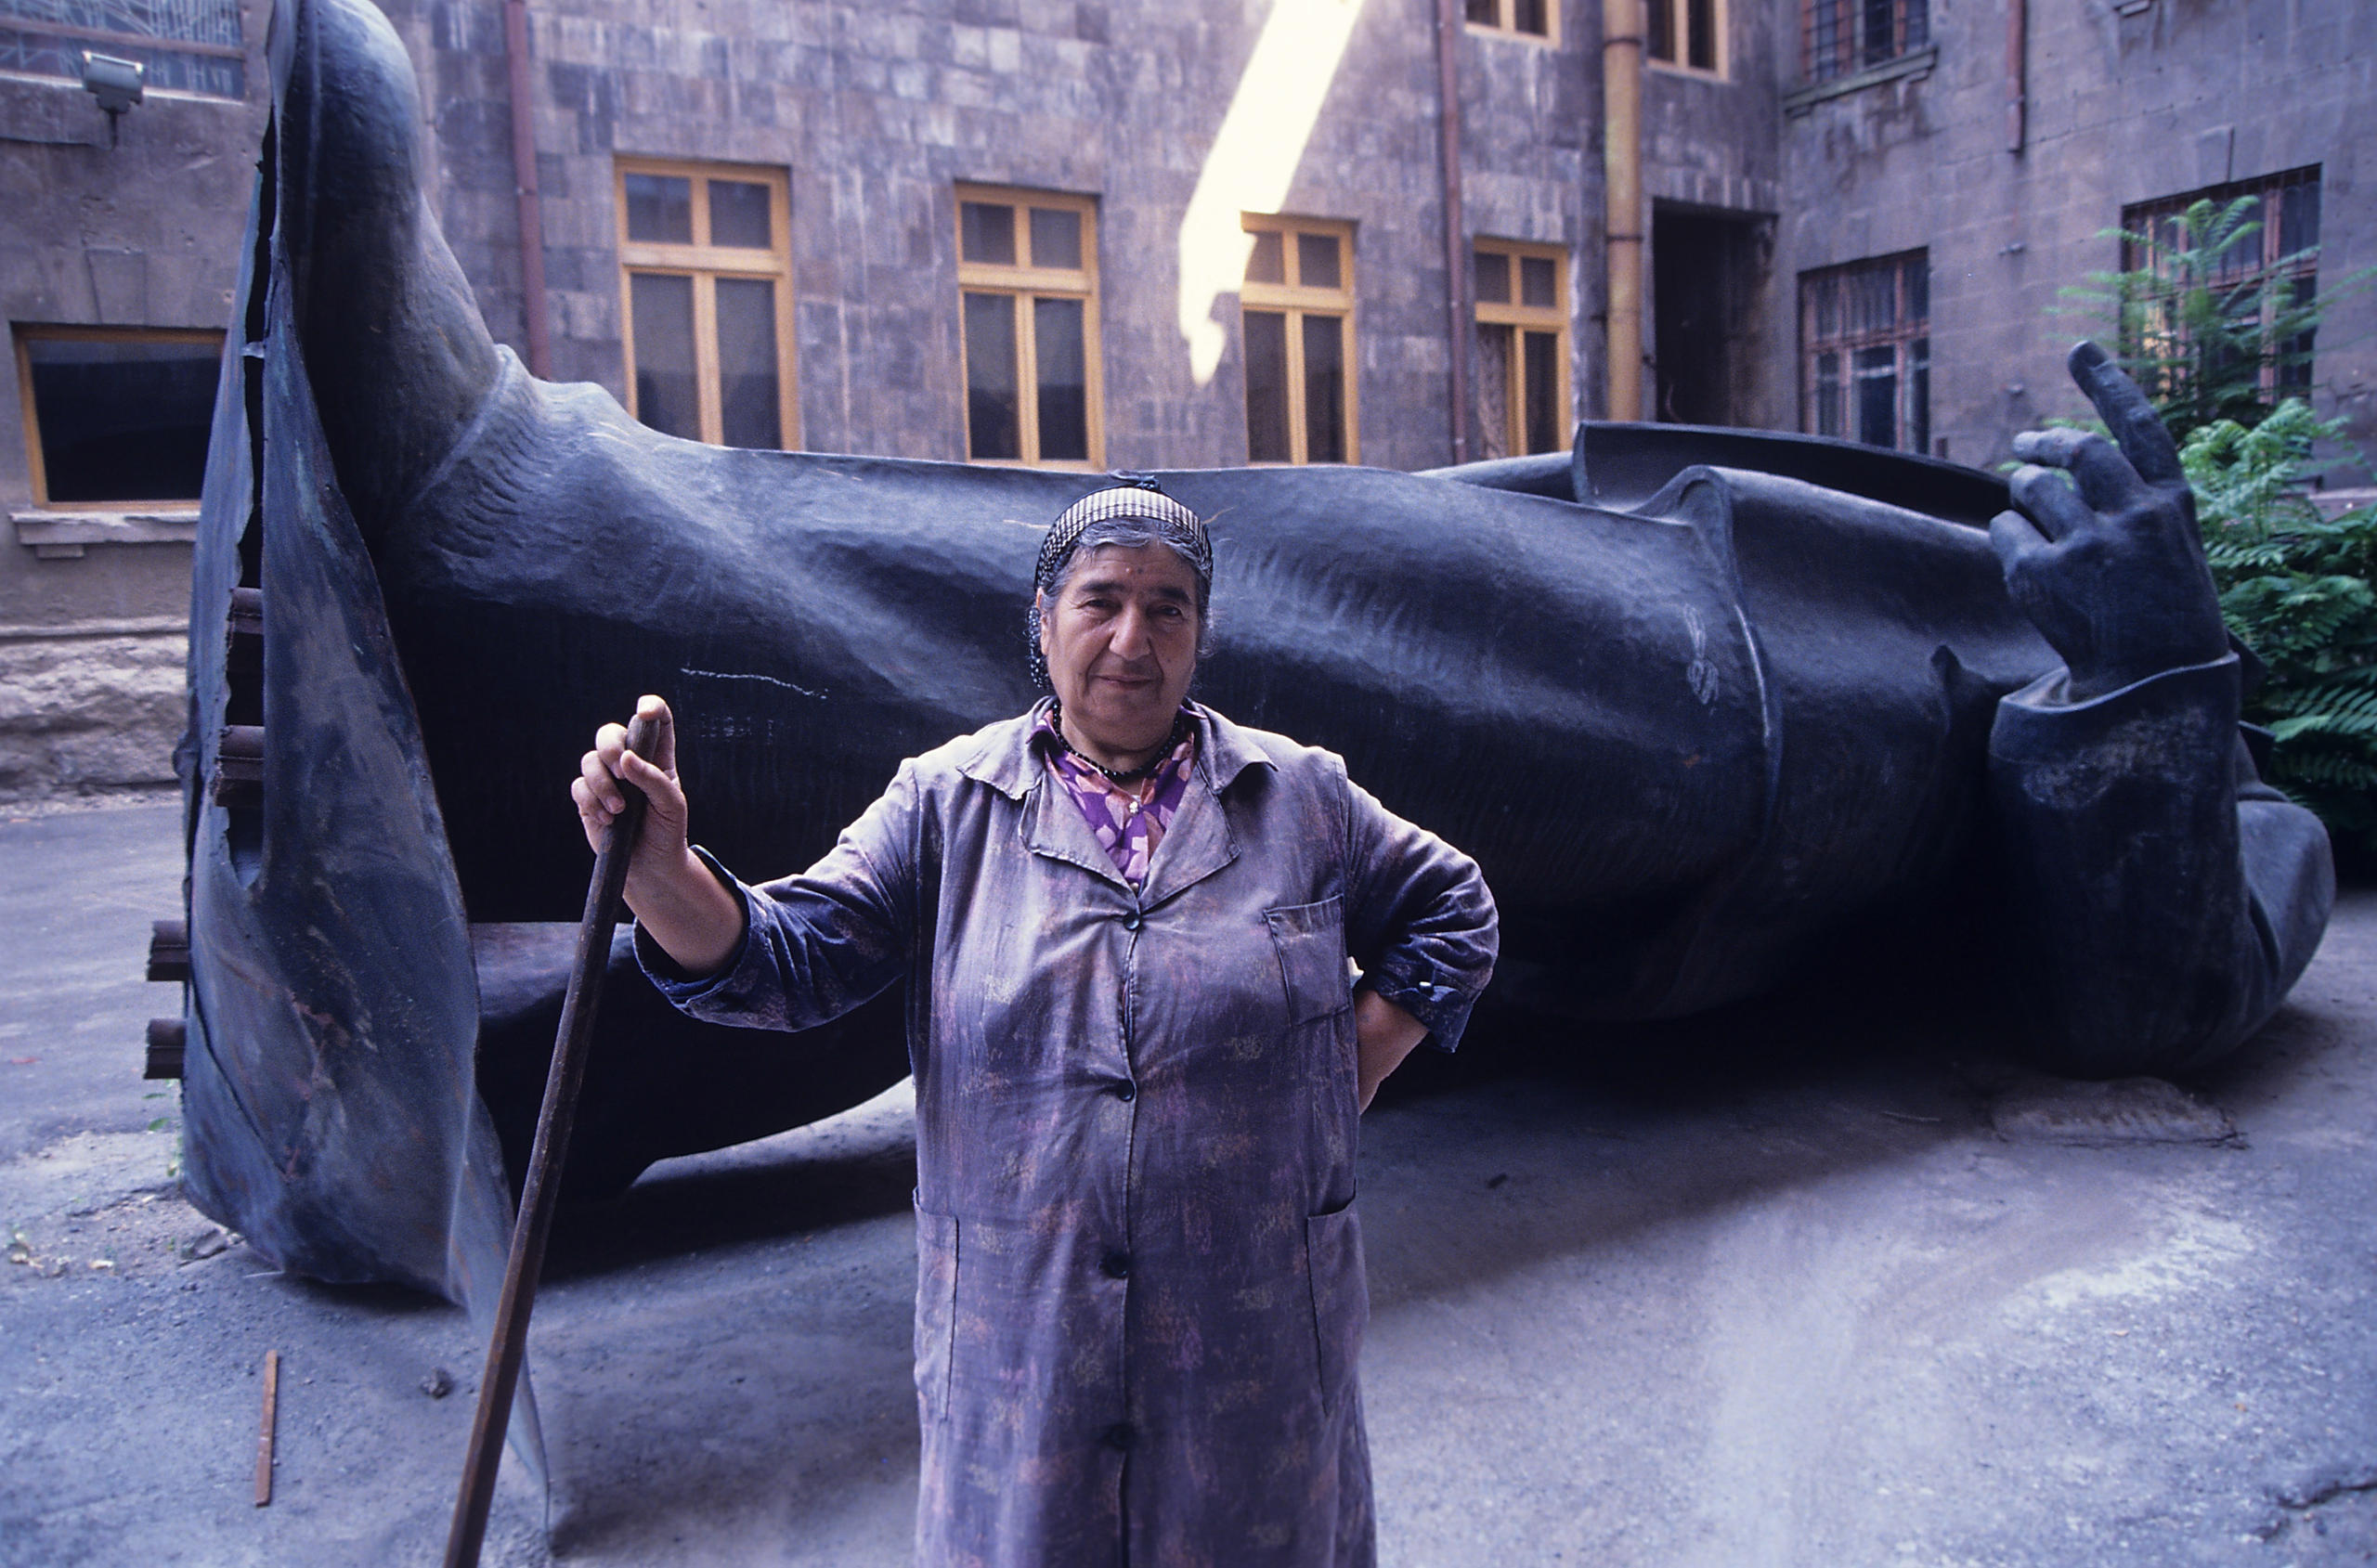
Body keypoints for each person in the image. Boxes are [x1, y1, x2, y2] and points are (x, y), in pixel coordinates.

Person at [571, 485, 1500, 1566]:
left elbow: (1452, 908)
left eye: (1168, 609)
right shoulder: (944, 803)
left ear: (1200, 633)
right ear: (1043, 618)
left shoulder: (1299, 798)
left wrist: (1354, 1061)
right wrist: (658, 871)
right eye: (1099, 602)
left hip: (1251, 1318)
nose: (1130, 640)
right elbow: (786, 964)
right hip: (1022, 1334)